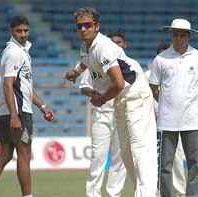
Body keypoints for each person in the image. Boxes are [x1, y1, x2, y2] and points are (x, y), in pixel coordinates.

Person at [65, 7, 157, 196]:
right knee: (126, 154)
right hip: (121, 101)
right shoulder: (86, 47)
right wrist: (75, 72)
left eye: (87, 25)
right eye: (79, 26)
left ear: (97, 26)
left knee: (140, 151)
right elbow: (85, 61)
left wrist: (101, 99)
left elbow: (119, 83)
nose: (83, 29)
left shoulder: (104, 48)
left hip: (136, 96)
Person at [0, 15, 55, 197]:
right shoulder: (15, 52)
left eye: (26, 30)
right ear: (11, 32)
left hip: (7, 111)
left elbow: (25, 88)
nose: (23, 34)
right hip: (17, 112)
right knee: (24, 155)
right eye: (19, 31)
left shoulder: (20, 52)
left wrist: (42, 106)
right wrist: (15, 115)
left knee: (4, 155)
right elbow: (8, 84)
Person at [149, 18, 198, 197]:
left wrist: (191, 103)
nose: (178, 38)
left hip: (192, 119)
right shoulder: (160, 59)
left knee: (194, 163)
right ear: (171, 34)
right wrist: (167, 104)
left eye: (182, 35)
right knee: (165, 165)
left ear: (189, 36)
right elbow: (153, 87)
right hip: (167, 120)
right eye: (175, 34)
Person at [79, 31, 127, 197]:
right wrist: (94, 94)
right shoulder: (95, 60)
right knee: (98, 158)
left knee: (119, 160)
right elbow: (83, 85)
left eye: (119, 42)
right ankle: (93, 195)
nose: (115, 45)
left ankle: (115, 194)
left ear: (124, 45)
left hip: (121, 115)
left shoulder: (128, 64)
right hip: (102, 114)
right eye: (112, 42)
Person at [146, 43, 187, 197]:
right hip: (153, 124)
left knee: (176, 157)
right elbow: (143, 99)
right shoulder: (147, 75)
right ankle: (156, 191)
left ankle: (180, 192)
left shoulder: (180, 74)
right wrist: (152, 114)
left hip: (175, 122)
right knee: (155, 158)